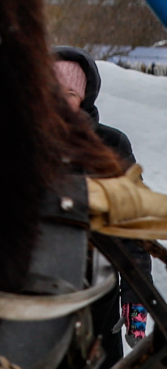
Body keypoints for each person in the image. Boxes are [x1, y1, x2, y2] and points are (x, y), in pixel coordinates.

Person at [56, 48, 154, 347]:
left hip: (97, 294)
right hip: (31, 294)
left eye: (70, 92)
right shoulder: (19, 141)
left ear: (85, 98)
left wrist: (136, 301)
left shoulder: (110, 144)